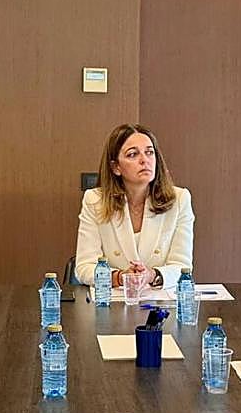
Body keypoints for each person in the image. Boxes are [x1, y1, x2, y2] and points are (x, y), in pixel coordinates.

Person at [75, 123, 194, 289]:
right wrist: (119, 277)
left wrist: (152, 275)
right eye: (132, 154)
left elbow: (182, 267)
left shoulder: (180, 199)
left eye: (149, 152)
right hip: (114, 301)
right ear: (116, 167)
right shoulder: (95, 200)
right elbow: (84, 267)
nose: (144, 160)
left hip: (160, 302)